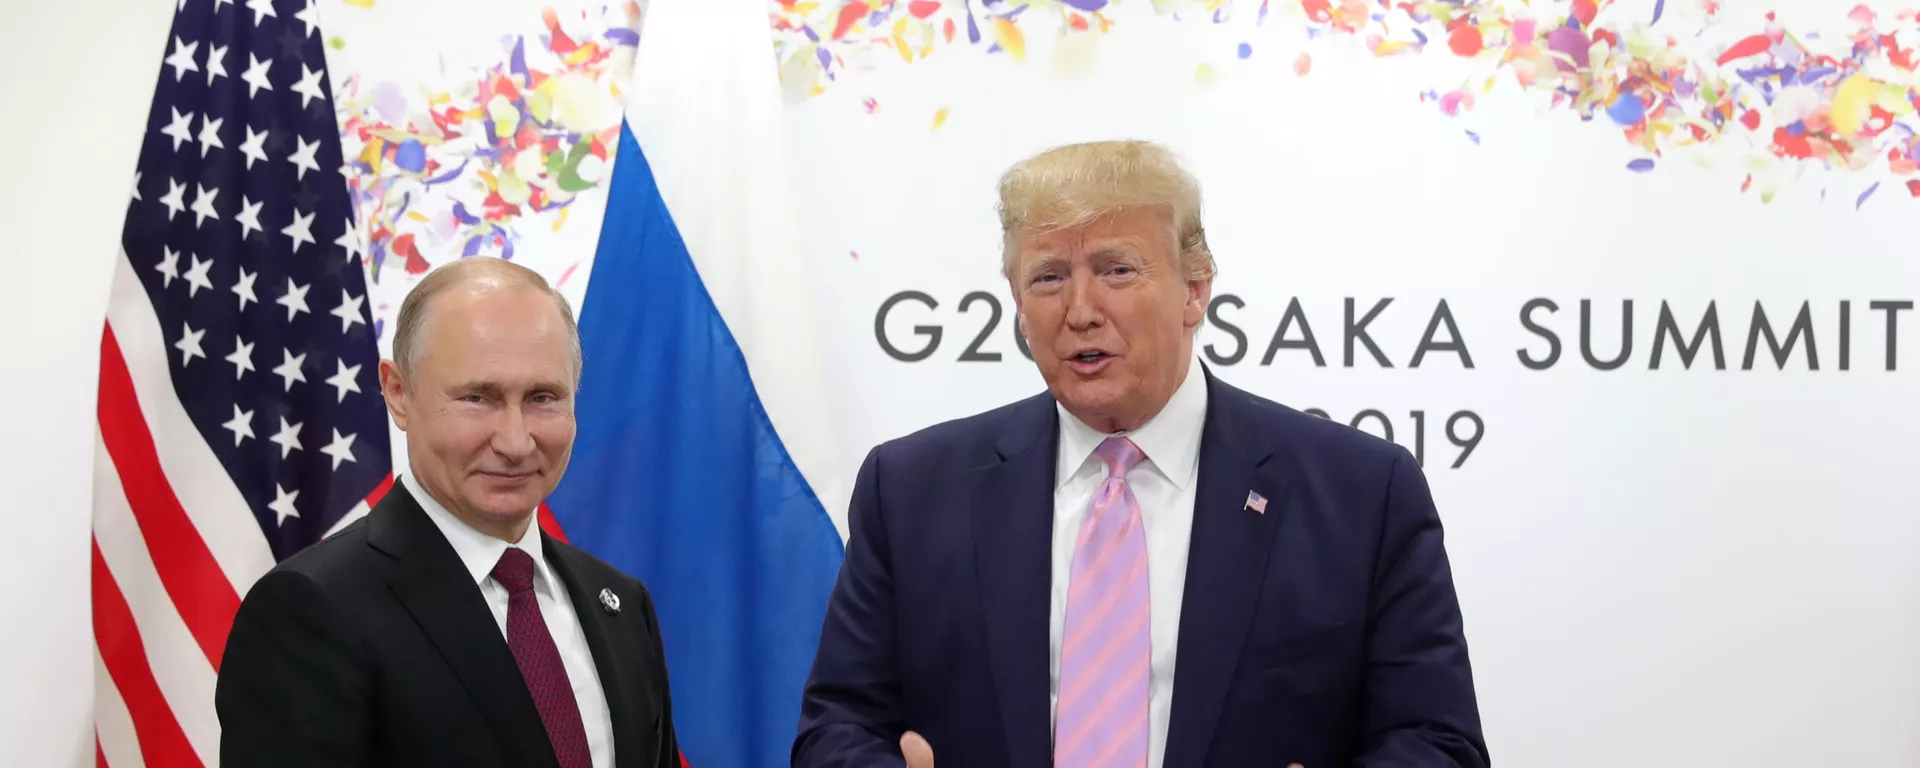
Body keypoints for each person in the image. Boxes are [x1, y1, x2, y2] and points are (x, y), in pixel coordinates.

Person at [793, 140, 1488, 767]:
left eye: (1117, 270)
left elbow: (1438, 743)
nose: (1081, 310)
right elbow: (836, 727)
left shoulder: (1362, 493)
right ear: (1016, 304)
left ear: (1195, 288)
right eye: (1048, 278)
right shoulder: (912, 490)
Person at [216, 258, 680, 768]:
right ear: (398, 393)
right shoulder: (311, 611)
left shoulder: (621, 606)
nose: (515, 441)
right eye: (477, 398)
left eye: (542, 397)